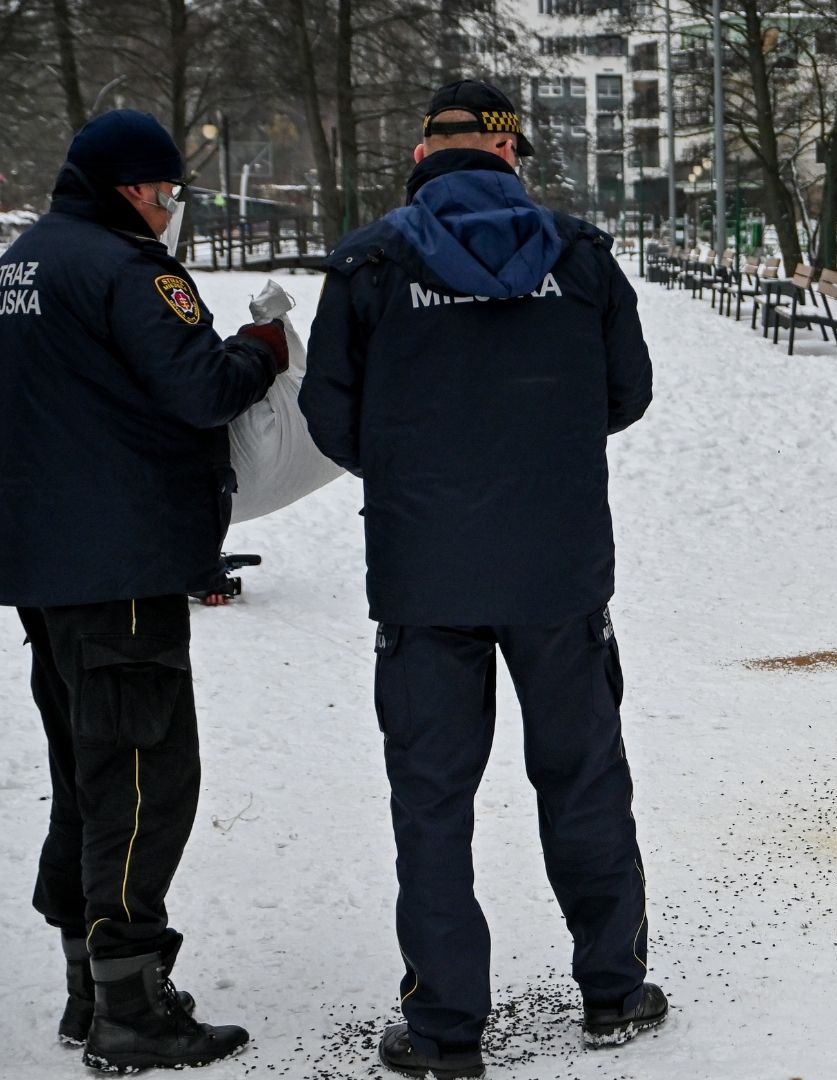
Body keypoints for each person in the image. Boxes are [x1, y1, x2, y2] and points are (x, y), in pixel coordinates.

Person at [300, 79, 660, 1079]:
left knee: (432, 801)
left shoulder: (373, 262)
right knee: (584, 779)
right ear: (513, 155)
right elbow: (627, 392)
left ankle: (446, 1029)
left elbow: (328, 417)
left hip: (426, 577)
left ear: (424, 156)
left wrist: (422, 464)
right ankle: (615, 993)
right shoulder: (579, 255)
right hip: (558, 574)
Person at [0, 110, 288, 1070]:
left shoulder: (24, 261)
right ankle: (131, 1006)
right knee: (142, 778)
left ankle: (90, 988)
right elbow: (201, 386)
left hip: (43, 564)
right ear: (134, 189)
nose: (170, 210)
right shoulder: (130, 271)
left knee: (86, 772)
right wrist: (260, 351)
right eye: (167, 192)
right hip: (120, 564)